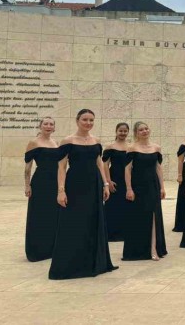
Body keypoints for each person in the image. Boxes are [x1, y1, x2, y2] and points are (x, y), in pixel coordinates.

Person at [49, 109, 117, 279]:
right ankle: (72, 264)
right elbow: (62, 167)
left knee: (92, 221)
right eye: (85, 119)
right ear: (77, 120)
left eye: (91, 120)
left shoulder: (96, 141)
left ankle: (93, 262)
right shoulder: (68, 141)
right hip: (75, 185)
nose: (88, 123)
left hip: (94, 186)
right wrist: (61, 191)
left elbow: (100, 164)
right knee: (73, 223)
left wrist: (105, 184)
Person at [123, 122, 167, 261]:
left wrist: (162, 187)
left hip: (152, 186)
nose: (144, 131)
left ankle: (154, 248)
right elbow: (127, 169)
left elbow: (158, 168)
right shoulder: (132, 148)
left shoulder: (156, 148)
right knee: (138, 216)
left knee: (154, 215)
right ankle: (138, 249)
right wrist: (129, 188)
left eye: (146, 128)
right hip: (137, 186)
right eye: (141, 129)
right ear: (136, 132)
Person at [24, 117, 62, 262]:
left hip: (55, 182)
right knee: (39, 214)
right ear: (40, 126)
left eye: (51, 124)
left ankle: (51, 248)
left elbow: (60, 166)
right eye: (45, 124)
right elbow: (27, 168)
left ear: (54, 127)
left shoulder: (56, 143)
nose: (48, 126)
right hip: (40, 182)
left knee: (53, 214)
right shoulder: (34, 143)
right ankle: (37, 250)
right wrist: (27, 185)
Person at [102, 122, 129, 242]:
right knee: (113, 206)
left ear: (128, 132)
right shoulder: (110, 147)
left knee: (126, 205)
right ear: (116, 132)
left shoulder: (131, 146)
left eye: (125, 131)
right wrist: (108, 181)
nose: (122, 133)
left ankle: (125, 233)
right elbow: (105, 164)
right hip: (114, 178)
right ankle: (112, 234)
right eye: (120, 131)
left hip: (127, 179)